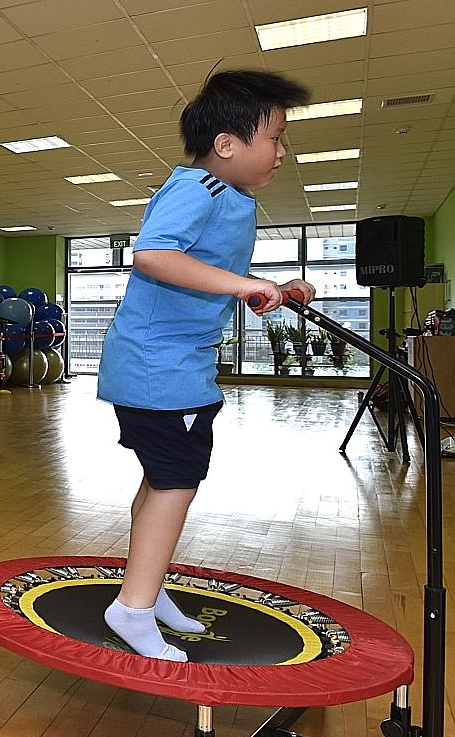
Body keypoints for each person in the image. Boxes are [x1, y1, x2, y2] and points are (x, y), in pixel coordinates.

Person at [97, 70, 316, 661]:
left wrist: (275, 288)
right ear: (227, 144)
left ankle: (146, 586)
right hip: (158, 370)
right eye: (275, 136)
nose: (282, 150)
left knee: (160, 479)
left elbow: (206, 270)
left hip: (169, 366)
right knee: (176, 482)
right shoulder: (200, 188)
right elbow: (152, 255)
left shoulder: (230, 199)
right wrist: (245, 283)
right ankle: (133, 609)